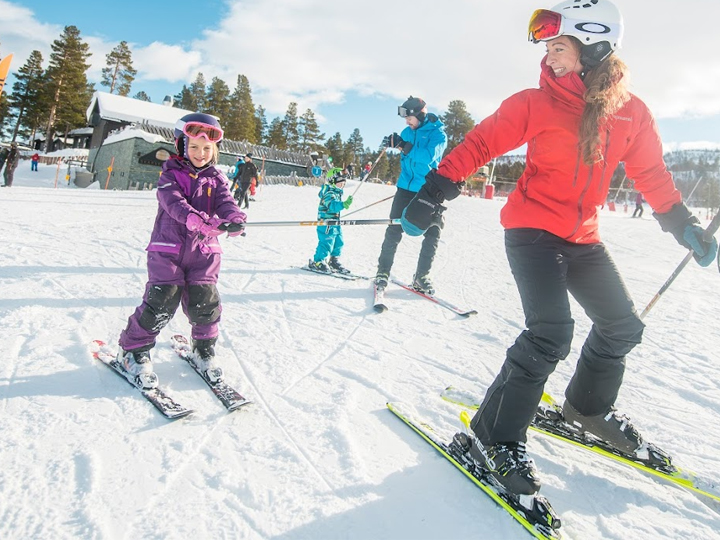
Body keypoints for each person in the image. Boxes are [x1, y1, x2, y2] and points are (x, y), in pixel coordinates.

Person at [400, 0, 718, 496]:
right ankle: (493, 437)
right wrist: (433, 192)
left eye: (559, 47)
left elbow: (651, 175)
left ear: (593, 47)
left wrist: (683, 225)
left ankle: (587, 409)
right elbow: (482, 143)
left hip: (582, 236)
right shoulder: (535, 101)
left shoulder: (631, 114)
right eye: (548, 47)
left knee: (622, 326)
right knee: (551, 333)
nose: (549, 57)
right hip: (531, 229)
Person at [117, 113, 247, 389]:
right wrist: (195, 219)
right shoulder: (170, 174)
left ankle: (204, 348)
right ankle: (133, 350)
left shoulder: (217, 179)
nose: (201, 154)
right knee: (161, 301)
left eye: (207, 148)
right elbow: (172, 201)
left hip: (205, 252)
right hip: (169, 250)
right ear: (181, 146)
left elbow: (226, 203)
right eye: (194, 147)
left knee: (206, 303)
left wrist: (234, 219)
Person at [374, 96, 447, 294]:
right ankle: (382, 272)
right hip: (405, 188)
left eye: (410, 118)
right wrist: (395, 143)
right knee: (394, 229)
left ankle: (421, 277)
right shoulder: (407, 132)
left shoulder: (438, 135)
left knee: (433, 231)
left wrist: (405, 147)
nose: (406, 122)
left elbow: (428, 157)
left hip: (428, 190)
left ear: (420, 114)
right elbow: (406, 158)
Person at [308, 168, 354, 273]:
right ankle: (318, 261)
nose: (341, 186)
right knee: (326, 242)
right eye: (339, 184)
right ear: (332, 181)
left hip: (335, 223)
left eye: (343, 184)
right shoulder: (328, 193)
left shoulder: (336, 193)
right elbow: (332, 206)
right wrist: (343, 204)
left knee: (339, 242)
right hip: (326, 223)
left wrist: (343, 204)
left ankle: (334, 260)